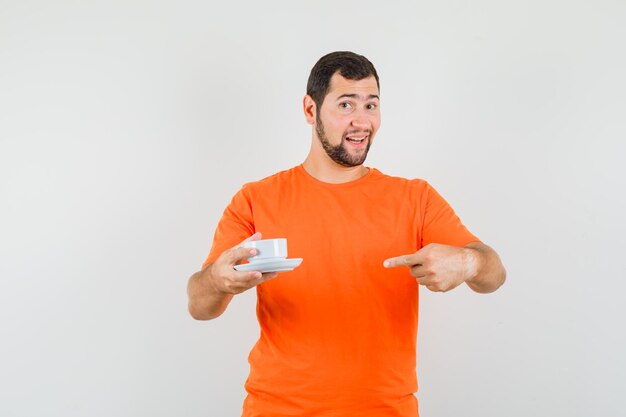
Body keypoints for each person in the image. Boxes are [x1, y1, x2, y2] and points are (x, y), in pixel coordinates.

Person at [187, 51, 506, 417]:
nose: (361, 121)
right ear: (310, 110)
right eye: (345, 105)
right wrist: (217, 280)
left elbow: (494, 274)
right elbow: (199, 305)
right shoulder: (255, 200)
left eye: (371, 105)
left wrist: (468, 262)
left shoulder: (415, 198)